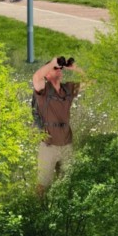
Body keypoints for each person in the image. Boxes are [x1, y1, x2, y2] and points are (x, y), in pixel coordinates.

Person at [32, 56, 82, 197]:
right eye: (55, 69)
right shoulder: (43, 90)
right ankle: (39, 210)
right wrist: (53, 62)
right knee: (43, 184)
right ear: (47, 73)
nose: (59, 70)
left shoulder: (68, 88)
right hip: (49, 145)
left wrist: (75, 68)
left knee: (67, 182)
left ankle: (64, 212)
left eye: (60, 68)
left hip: (67, 143)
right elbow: (36, 77)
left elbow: (91, 81)